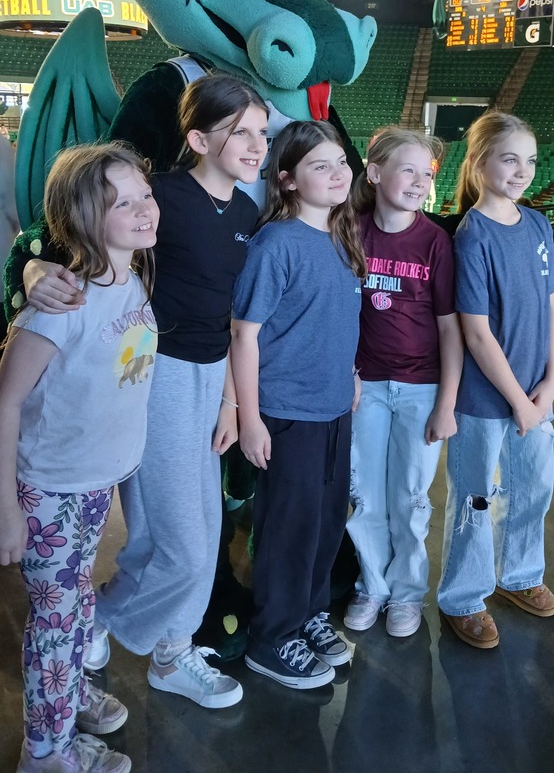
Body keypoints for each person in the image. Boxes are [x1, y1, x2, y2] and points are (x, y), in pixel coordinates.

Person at [22, 74, 269, 710]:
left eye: (262, 132)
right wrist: (32, 269)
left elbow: (228, 318)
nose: (255, 144)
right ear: (197, 138)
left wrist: (230, 402)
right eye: (239, 131)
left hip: (206, 381)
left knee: (197, 534)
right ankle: (138, 635)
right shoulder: (157, 196)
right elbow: (60, 242)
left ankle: (126, 629)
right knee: (183, 546)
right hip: (151, 376)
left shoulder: (245, 211)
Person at [0, 144, 158, 773]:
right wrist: (7, 508)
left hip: (92, 484)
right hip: (50, 491)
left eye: (145, 195)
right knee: (55, 623)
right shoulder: (58, 305)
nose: (145, 210)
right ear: (84, 218)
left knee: (72, 607)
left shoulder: (135, 275)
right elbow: (5, 401)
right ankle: (47, 751)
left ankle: (63, 698)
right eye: (123, 204)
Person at [231, 120, 366, 689]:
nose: (338, 174)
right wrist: (251, 418)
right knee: (288, 530)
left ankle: (307, 615)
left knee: (325, 523)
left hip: (335, 410)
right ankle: (272, 638)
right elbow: (244, 335)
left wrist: (351, 377)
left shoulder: (341, 236)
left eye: (341, 162)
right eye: (320, 166)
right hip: (288, 415)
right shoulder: (276, 244)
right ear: (286, 180)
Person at [437, 112, 554, 650]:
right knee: (476, 498)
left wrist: (553, 382)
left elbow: (551, 303)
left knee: (533, 488)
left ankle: (519, 575)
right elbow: (477, 335)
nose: (522, 171)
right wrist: (519, 400)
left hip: (537, 394)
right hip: (486, 400)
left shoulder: (535, 224)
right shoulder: (472, 236)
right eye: (509, 159)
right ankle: (463, 597)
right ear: (480, 163)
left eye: (529, 161)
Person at [344, 127, 463, 638]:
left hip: (421, 390)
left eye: (426, 173)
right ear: (375, 174)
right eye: (407, 169)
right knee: (366, 496)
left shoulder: (435, 242)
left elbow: (449, 327)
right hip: (366, 387)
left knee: (411, 497)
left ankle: (408, 593)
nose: (418, 181)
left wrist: (447, 404)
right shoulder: (351, 231)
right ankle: (373, 585)